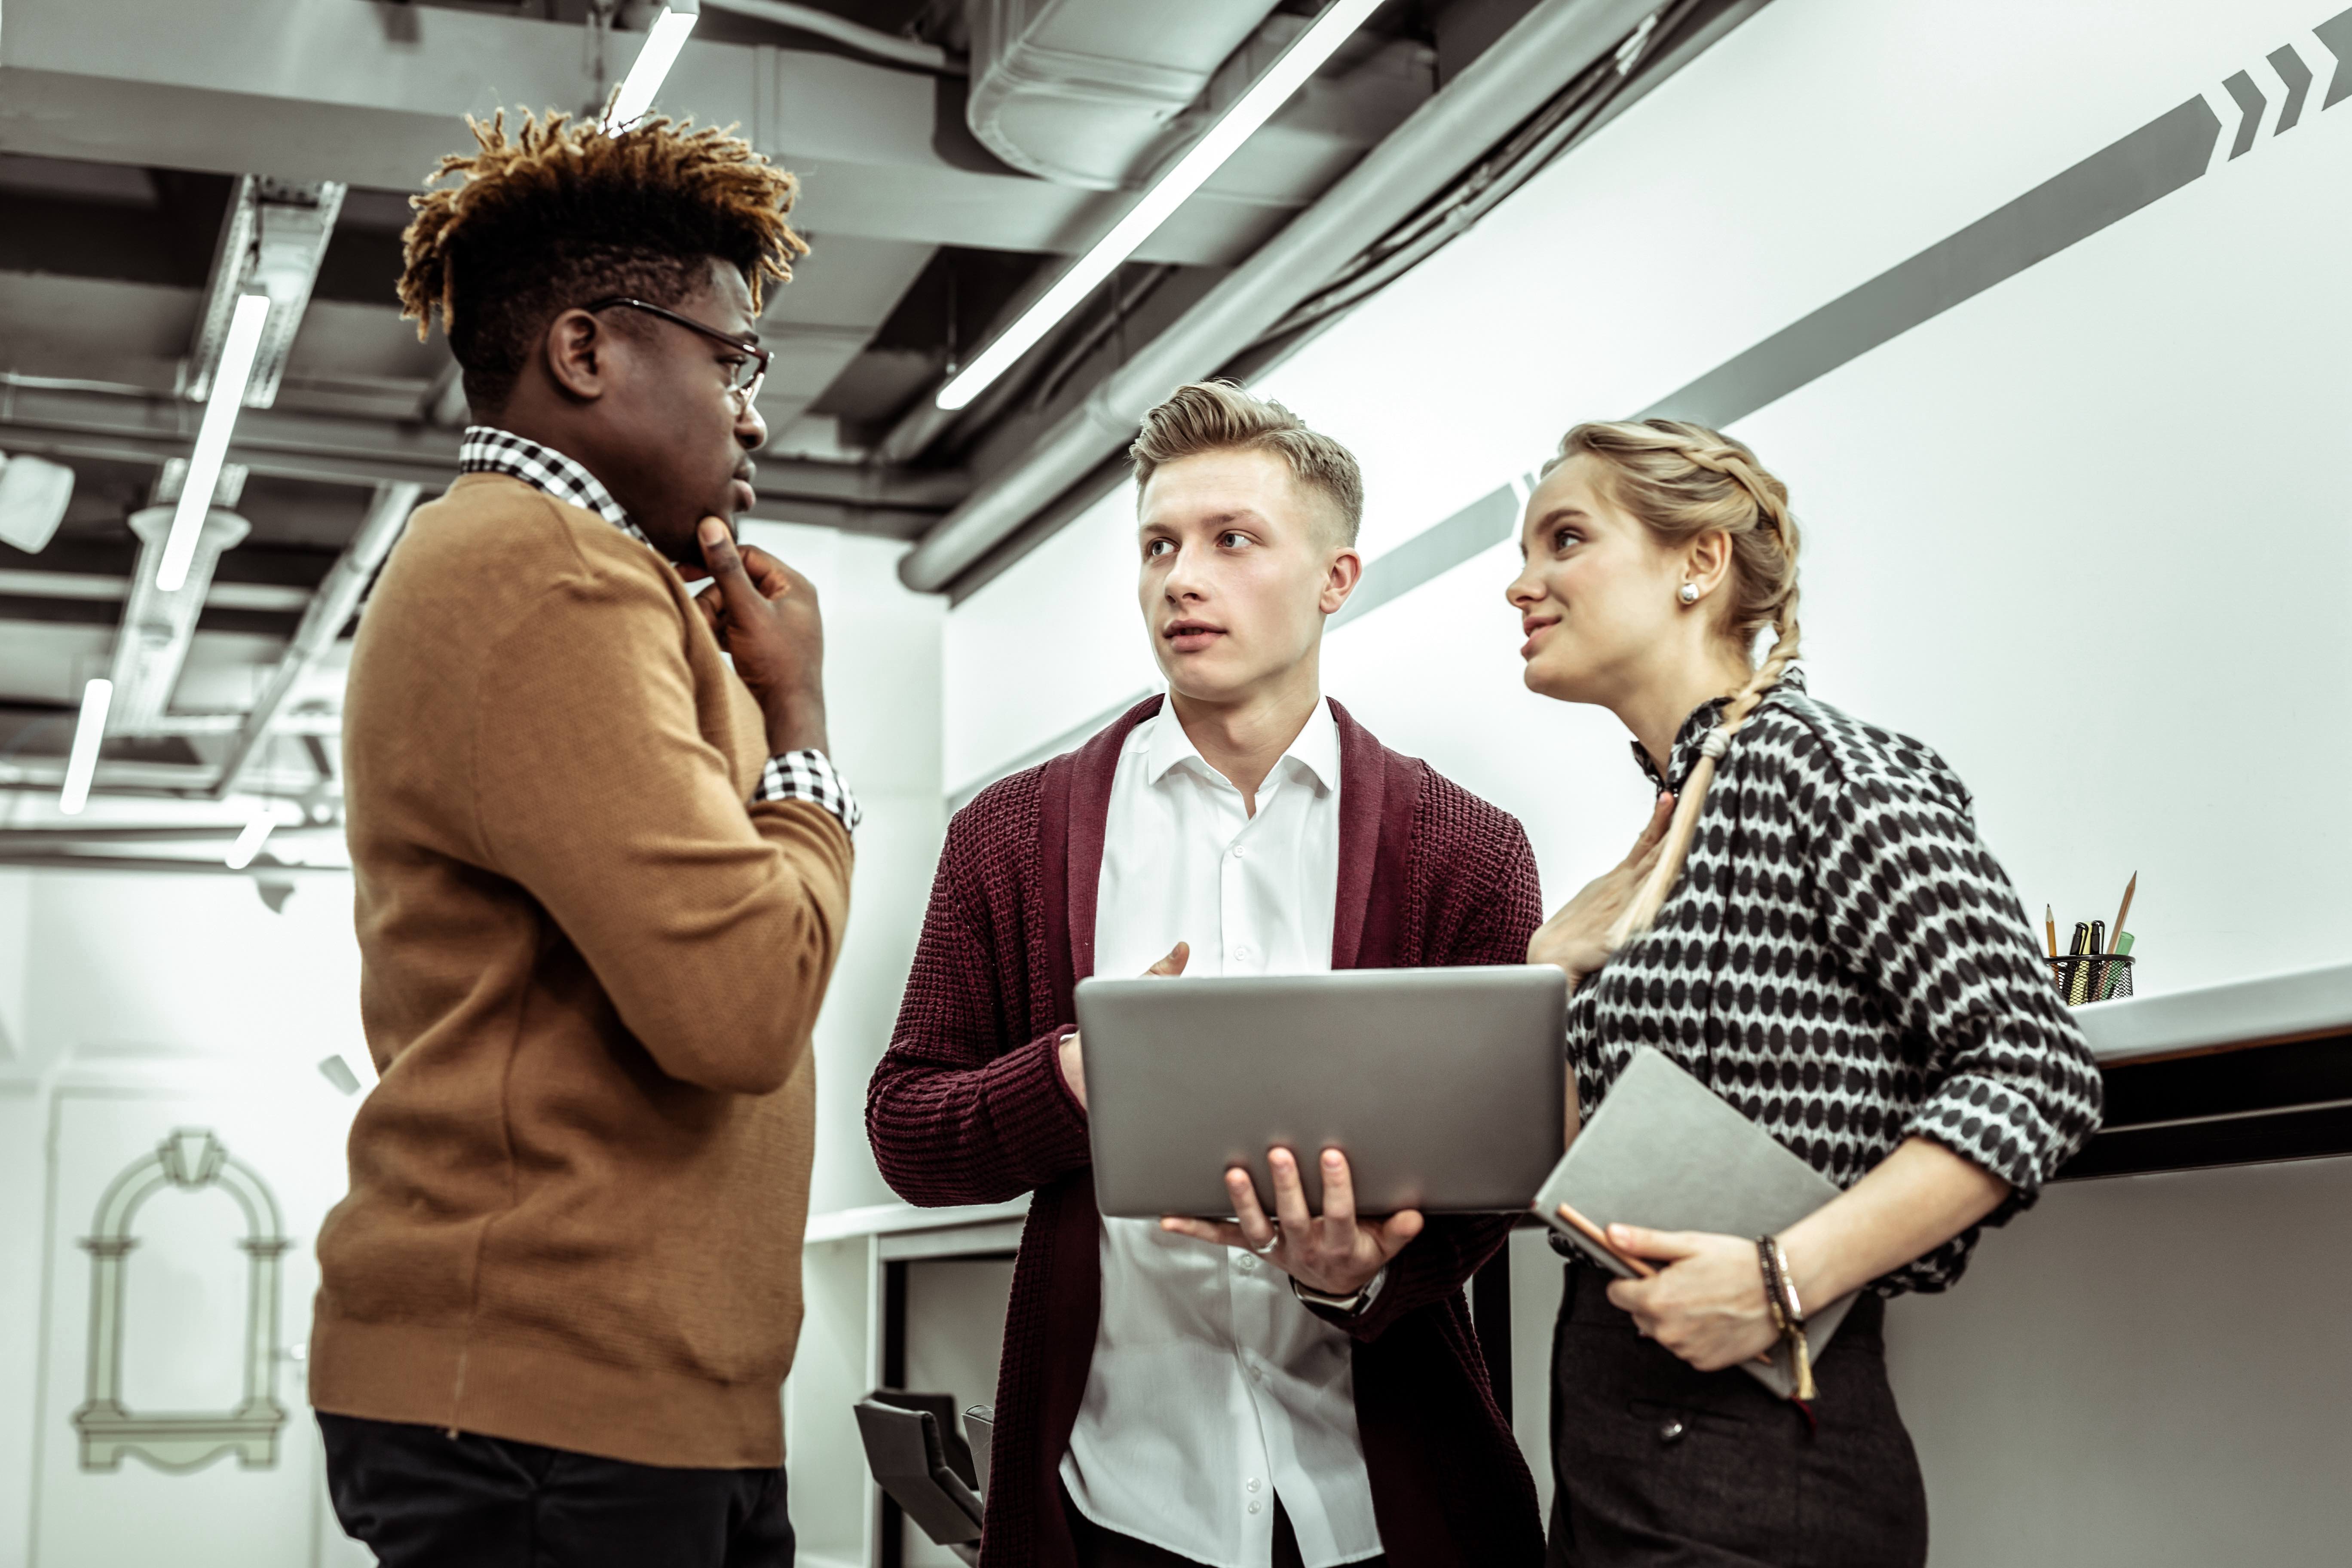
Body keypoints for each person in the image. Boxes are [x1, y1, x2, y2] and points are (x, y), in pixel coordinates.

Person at [869, 382, 1547, 1568]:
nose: (1184, 578)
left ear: (1337, 578)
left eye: (1235, 540)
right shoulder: (1013, 835)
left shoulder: (1466, 847)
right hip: (1113, 1501)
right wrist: (1076, 1077)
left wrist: (1359, 1278)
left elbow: (1502, 1173)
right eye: (1159, 546)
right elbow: (909, 1129)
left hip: (1376, 1504)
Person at [310, 110, 859, 1568]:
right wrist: (801, 724)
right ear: (585, 351)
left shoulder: (550, 572)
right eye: (730, 357)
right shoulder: (549, 570)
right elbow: (742, 1006)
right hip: (554, 1411)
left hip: (612, 1397)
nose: (753, 412)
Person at [1504, 418, 2104, 1566]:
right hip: (1612, 1442)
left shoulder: (1826, 773)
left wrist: (1783, 1281)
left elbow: (2035, 1065)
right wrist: (1539, 971)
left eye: (1565, 539)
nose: (1521, 585)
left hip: (1759, 1456)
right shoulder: (1662, 835)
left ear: (1700, 563)